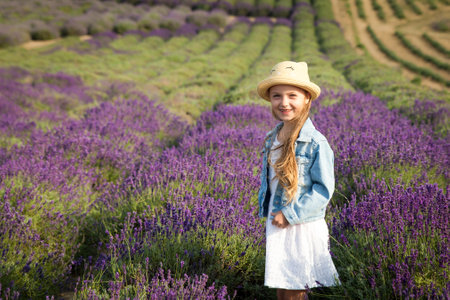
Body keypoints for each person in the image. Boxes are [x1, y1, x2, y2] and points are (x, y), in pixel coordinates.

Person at [256, 61, 340, 300]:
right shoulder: (272, 137)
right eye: (276, 96)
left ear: (306, 99)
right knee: (281, 282)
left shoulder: (316, 142)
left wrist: (290, 214)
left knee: (294, 284)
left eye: (292, 95)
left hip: (299, 222)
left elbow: (323, 190)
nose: (284, 102)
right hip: (278, 217)